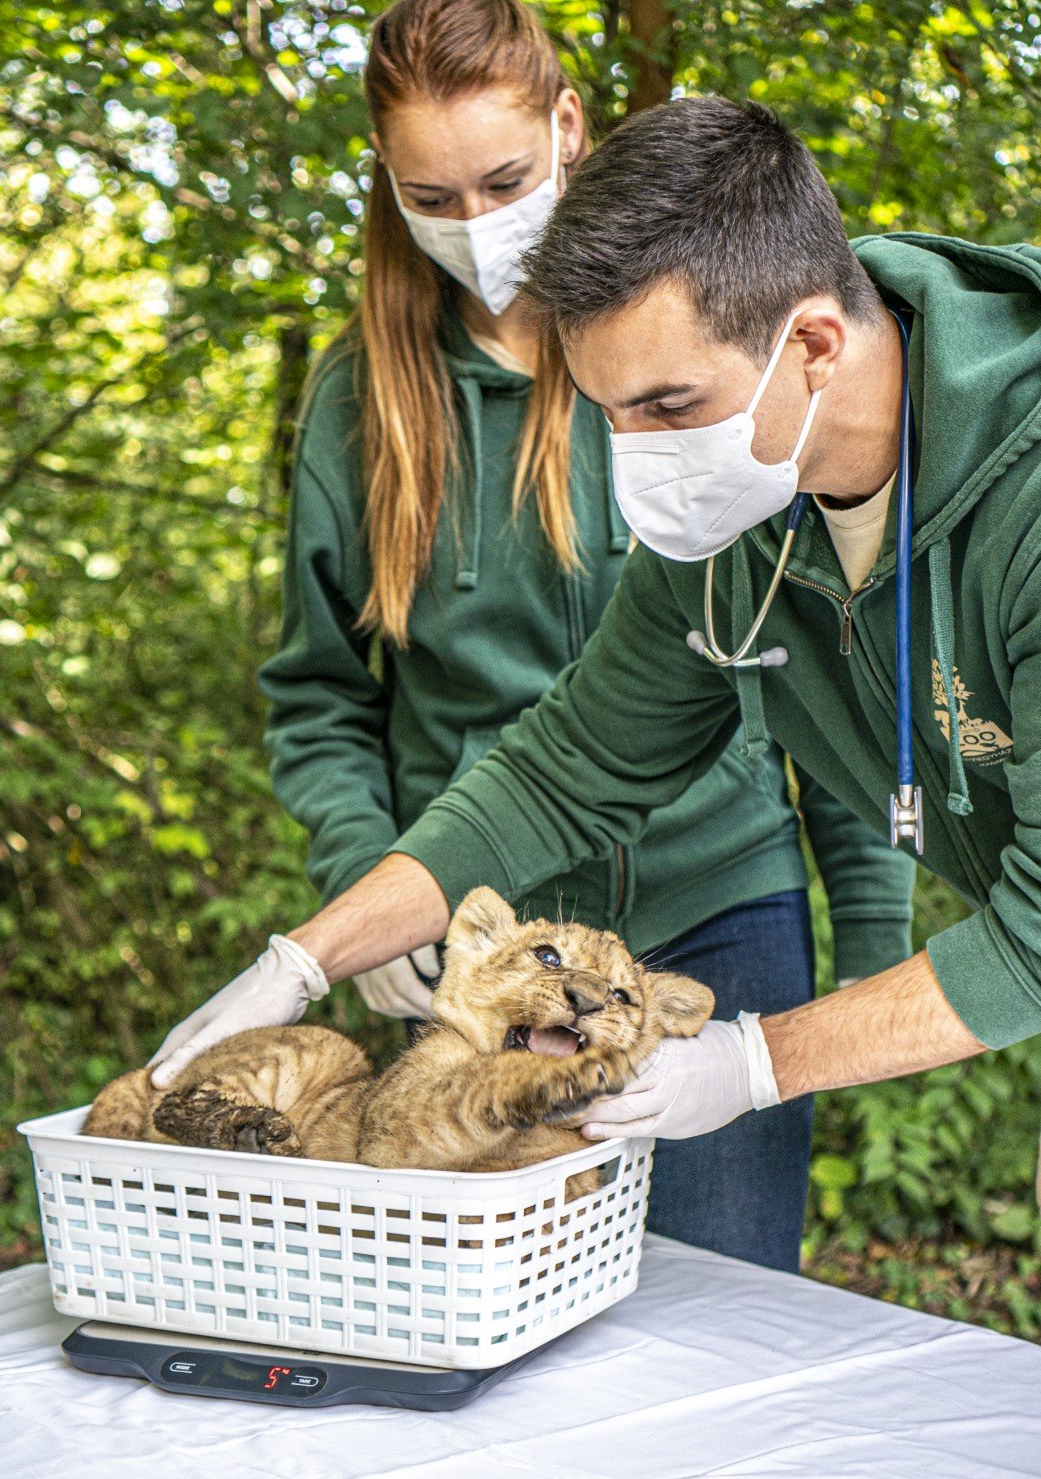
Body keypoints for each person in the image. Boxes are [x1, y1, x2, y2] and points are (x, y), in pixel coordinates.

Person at [148, 82, 932, 1245]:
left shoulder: (769, 420)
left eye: (505, 183)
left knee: (720, 1296)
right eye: (434, 194)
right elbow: (564, 762)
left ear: (567, 128)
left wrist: (802, 1025)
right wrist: (316, 947)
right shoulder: (382, 406)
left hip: (719, 901)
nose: (476, 223)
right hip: (499, 938)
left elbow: (855, 702)